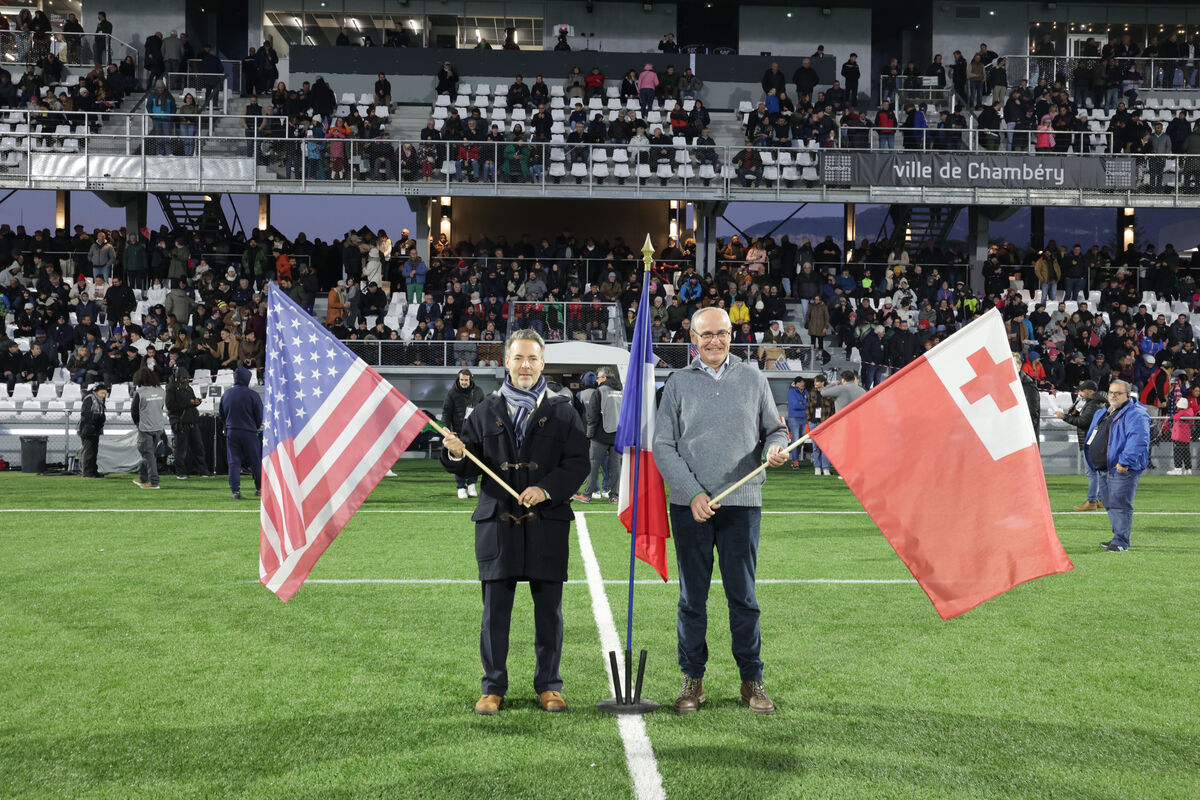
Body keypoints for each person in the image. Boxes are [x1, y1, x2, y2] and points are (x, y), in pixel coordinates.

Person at [439, 330, 589, 716]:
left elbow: (578, 464)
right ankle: (493, 686)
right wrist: (456, 453)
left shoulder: (564, 411)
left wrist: (547, 489)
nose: (525, 366)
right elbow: (465, 462)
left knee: (549, 613)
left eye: (532, 359)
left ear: (543, 363)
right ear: (506, 362)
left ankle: (549, 685)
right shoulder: (483, 411)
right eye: (518, 358)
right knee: (494, 614)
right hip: (497, 525)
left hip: (547, 522)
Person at [653, 307, 788, 716]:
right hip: (690, 508)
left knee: (743, 598)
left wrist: (773, 449)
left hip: (742, 506)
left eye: (722, 334)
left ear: (733, 335)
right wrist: (692, 492)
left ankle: (752, 681)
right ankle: (692, 681)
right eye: (706, 334)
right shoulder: (677, 383)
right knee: (692, 599)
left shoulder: (753, 378)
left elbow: (775, 430)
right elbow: (663, 445)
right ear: (692, 338)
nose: (715, 341)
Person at [1084, 379, 1151, 552]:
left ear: (1128, 395)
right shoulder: (1103, 412)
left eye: (1118, 393)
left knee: (1120, 504)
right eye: (1111, 392)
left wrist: (1125, 462)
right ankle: (1117, 537)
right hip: (1104, 468)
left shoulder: (1136, 413)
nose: (1113, 395)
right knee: (1109, 502)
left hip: (1121, 469)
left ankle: (1121, 542)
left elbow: (1138, 440)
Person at [1056, 380, 1108, 510]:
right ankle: (1100, 500)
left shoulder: (1093, 404)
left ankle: (1091, 501)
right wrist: (1075, 414)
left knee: (1092, 473)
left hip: (1090, 441)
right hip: (1096, 441)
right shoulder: (1096, 402)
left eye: (1082, 391)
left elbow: (1084, 423)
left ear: (1090, 392)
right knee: (1098, 472)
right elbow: (1087, 420)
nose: (1080, 393)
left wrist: (1064, 417)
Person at [575, 365, 622, 504]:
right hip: (618, 435)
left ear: (605, 378)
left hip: (600, 434)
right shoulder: (622, 390)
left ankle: (587, 494)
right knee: (616, 467)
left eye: (599, 378)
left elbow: (592, 415)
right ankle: (615, 496)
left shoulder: (600, 391)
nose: (597, 381)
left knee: (592, 465)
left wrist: (590, 433)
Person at [219, 366, 263, 500]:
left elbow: (221, 414)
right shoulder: (253, 395)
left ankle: (235, 491)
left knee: (234, 461)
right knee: (255, 461)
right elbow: (259, 415)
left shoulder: (226, 394)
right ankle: (259, 488)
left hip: (232, 431)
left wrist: (228, 425)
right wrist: (253, 427)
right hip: (249, 432)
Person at [441, 368, 485, 499]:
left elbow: (485, 411)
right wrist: (445, 426)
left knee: (474, 460)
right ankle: (461, 487)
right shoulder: (452, 393)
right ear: (458, 379)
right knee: (458, 461)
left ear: (470, 379)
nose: (464, 382)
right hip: (458, 433)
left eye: (466, 380)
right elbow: (446, 412)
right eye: (462, 380)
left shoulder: (478, 392)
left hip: (475, 433)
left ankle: (472, 485)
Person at [166, 367, 209, 479]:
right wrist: (188, 402)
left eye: (186, 378)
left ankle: (202, 471)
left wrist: (196, 402)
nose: (185, 380)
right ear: (177, 377)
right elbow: (170, 406)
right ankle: (180, 472)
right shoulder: (171, 388)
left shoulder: (188, 388)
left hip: (192, 420)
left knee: (198, 447)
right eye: (183, 378)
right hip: (180, 421)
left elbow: (191, 401)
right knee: (180, 450)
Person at [131, 368, 168, 489]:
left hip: (145, 427)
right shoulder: (161, 391)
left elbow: (134, 412)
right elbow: (161, 407)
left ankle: (153, 481)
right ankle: (143, 478)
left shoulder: (140, 392)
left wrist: (138, 424)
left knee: (147, 454)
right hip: (158, 426)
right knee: (150, 454)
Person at [1167, 382, 1199, 475]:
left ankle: (1177, 468)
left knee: (1177, 452)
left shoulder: (1181, 413)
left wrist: (1176, 413)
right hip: (1186, 436)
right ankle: (1188, 469)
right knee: (1186, 452)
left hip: (1178, 436)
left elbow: (1174, 417)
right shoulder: (1190, 412)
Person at [78, 381, 108, 478]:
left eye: (105, 394)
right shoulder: (89, 399)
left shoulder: (98, 400)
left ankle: (93, 471)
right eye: (102, 393)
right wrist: (90, 426)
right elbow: (86, 414)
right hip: (88, 429)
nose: (103, 395)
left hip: (95, 429)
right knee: (89, 451)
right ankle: (87, 473)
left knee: (94, 451)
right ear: (96, 391)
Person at [786, 375, 808, 469]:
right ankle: (795, 461)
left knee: (801, 441)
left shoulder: (806, 391)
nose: (802, 384)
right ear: (796, 384)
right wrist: (804, 403)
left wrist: (801, 403)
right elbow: (795, 405)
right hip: (794, 419)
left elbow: (807, 403)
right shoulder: (791, 392)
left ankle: (796, 459)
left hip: (804, 418)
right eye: (800, 382)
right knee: (795, 440)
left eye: (803, 382)